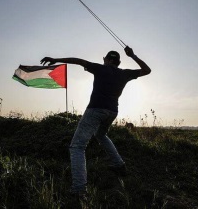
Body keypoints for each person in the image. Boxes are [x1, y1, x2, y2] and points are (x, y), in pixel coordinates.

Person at [40, 46, 151, 197]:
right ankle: (119, 165)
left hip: (96, 110)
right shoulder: (124, 74)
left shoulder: (100, 68)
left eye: (105, 58)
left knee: (77, 147)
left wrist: (56, 60)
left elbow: (78, 61)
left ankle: (79, 189)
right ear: (117, 62)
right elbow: (147, 70)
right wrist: (132, 55)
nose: (103, 60)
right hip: (112, 111)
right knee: (101, 135)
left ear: (108, 60)